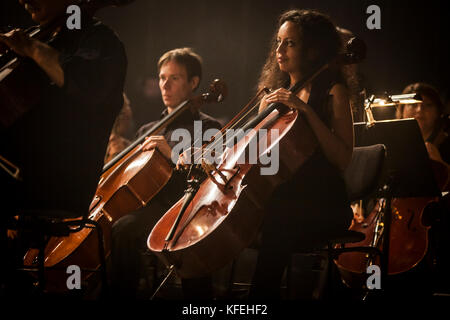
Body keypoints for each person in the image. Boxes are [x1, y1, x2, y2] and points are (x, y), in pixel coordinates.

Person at [0, 0, 127, 293]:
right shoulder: (41, 34)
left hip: (56, 179)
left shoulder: (100, 41)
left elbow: (84, 83)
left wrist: (31, 49)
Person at [248, 9, 354, 299]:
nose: (279, 50)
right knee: (266, 212)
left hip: (325, 203)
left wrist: (305, 110)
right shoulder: (274, 95)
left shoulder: (334, 92)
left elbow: (343, 158)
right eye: (279, 42)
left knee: (277, 217)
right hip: (283, 197)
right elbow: (258, 155)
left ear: (313, 49)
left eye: (290, 43)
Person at [110, 47, 222, 299]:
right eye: (162, 77)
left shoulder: (207, 126)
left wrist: (169, 152)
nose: (165, 85)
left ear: (193, 82)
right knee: (108, 225)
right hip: (150, 205)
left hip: (184, 209)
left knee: (124, 229)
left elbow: (208, 176)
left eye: (174, 78)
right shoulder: (148, 130)